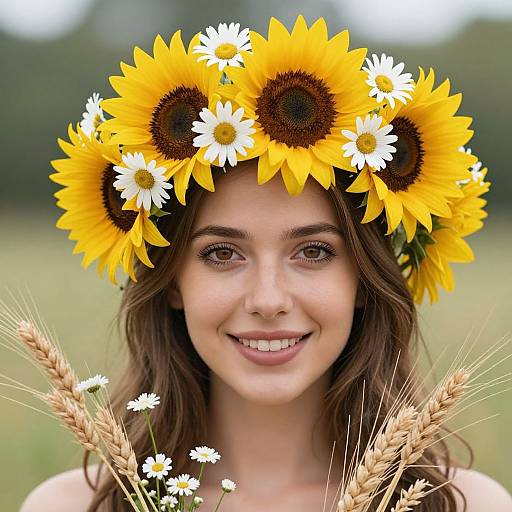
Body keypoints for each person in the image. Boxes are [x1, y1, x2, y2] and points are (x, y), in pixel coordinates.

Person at [19, 16, 512, 511]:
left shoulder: (466, 505)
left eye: (314, 251)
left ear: (364, 278)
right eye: (222, 254)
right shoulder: (73, 506)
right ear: (171, 281)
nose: (269, 300)